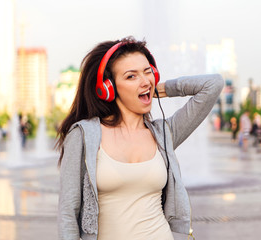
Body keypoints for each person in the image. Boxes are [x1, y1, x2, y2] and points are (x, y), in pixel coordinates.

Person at [55, 37, 224, 240]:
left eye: (148, 72)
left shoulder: (164, 134)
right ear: (108, 88)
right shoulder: (83, 136)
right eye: (131, 76)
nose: (145, 81)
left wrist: (167, 89)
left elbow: (213, 84)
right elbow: (68, 214)